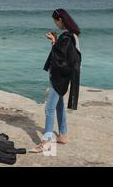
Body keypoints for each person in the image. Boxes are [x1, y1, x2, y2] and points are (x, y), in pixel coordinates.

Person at [31, 9, 81, 153]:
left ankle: (46, 143)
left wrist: (53, 42)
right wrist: (55, 42)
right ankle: (63, 135)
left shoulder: (66, 38)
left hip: (59, 78)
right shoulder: (73, 36)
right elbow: (66, 57)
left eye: (56, 21)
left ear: (60, 20)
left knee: (49, 109)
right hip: (65, 77)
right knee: (59, 106)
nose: (56, 24)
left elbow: (59, 58)